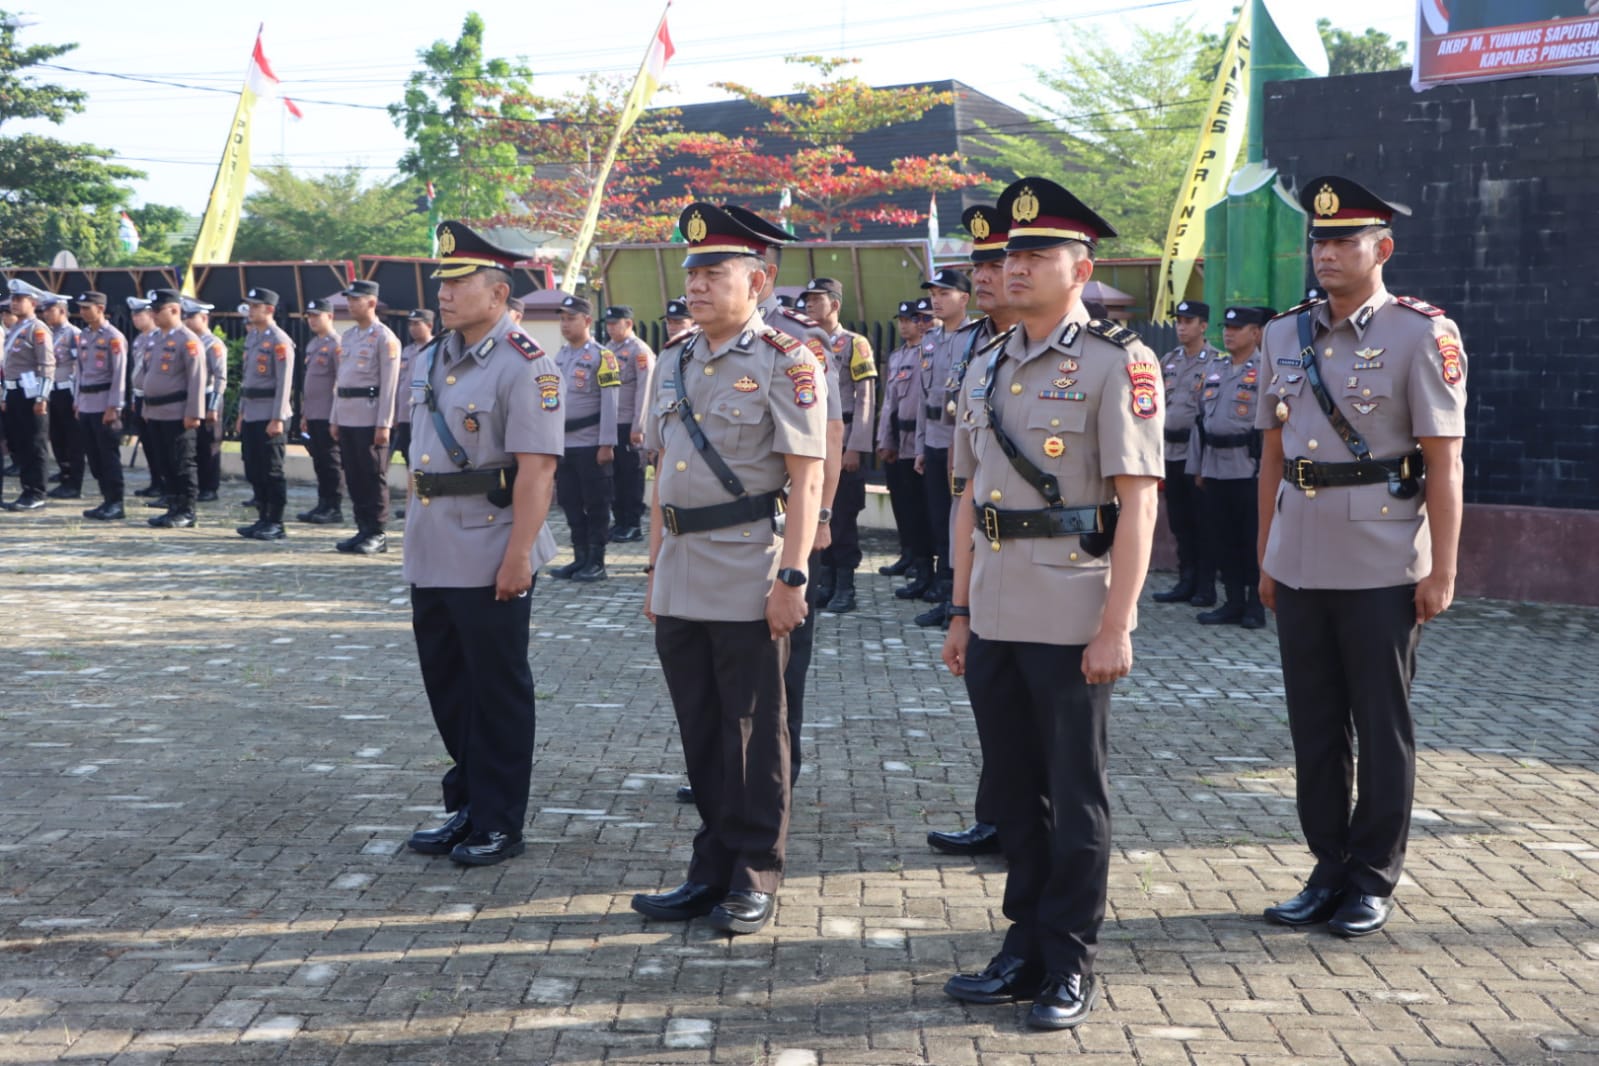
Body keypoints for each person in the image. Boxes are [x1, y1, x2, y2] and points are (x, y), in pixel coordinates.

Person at [940, 176, 1163, 1030]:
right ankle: (1021, 943)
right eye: (1010, 253)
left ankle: (1069, 960)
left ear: (1081, 266)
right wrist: (959, 610)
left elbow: (1137, 499)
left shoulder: (1117, 362)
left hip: (1074, 608)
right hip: (995, 605)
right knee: (1011, 793)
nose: (1016, 264)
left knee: (1075, 794)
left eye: (1036, 252)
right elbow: (968, 496)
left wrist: (1118, 622)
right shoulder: (987, 357)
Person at [1257, 175, 1467, 938]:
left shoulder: (1420, 333)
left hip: (1383, 560)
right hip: (1300, 554)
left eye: (1344, 240)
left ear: (1382, 248)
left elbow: (1443, 464)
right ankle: (1326, 865)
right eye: (1319, 240)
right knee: (1312, 727)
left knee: (1381, 727)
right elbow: (1272, 456)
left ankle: (1372, 874)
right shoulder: (1284, 334)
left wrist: (1441, 570)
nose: (1327, 253)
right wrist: (1264, 555)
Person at [630, 202, 827, 935]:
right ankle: (708, 865)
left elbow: (807, 478)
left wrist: (793, 575)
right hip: (681, 565)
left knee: (754, 727)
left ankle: (753, 871)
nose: (698, 285)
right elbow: (660, 478)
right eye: (692, 273)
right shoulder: (674, 359)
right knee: (701, 728)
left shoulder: (787, 360)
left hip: (751, 564)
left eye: (715, 272)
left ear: (761, 280)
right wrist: (653, 571)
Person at [403, 221, 563, 867]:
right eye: (442, 283)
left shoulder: (526, 363)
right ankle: (465, 803)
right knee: (448, 685)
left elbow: (538, 469)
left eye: (458, 283)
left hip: (491, 544)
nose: (444, 295)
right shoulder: (429, 356)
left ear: (497, 293)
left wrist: (520, 554)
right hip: (432, 541)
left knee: (496, 691)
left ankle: (500, 820)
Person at [926, 203, 1019, 858]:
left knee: (1043, 716)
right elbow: (966, 482)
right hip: (986, 554)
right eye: (977, 265)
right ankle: (997, 816)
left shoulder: (1087, 355)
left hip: (1056, 561)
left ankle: (1032, 829)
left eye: (996, 263)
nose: (983, 276)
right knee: (993, 700)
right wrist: (958, 602)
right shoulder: (976, 347)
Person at [1186, 305, 1268, 627]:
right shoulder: (1215, 369)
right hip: (1215, 467)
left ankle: (1255, 604)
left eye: (1238, 328)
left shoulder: (1265, 370)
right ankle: (1232, 601)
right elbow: (1200, 422)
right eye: (1227, 327)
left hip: (1248, 468)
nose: (1229, 333)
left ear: (1256, 333)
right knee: (1222, 537)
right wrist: (1197, 467)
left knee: (1250, 538)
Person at [799, 277, 876, 613]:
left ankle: (846, 584)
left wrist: (856, 445)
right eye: (807, 300)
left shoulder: (854, 344)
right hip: (812, 437)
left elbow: (865, 398)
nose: (809, 306)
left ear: (835, 303)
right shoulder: (802, 341)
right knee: (815, 510)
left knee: (842, 515)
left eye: (816, 300)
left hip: (842, 435)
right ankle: (825, 580)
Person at [910, 266, 974, 626]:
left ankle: (960, 600)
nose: (936, 299)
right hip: (934, 441)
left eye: (943, 293)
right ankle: (944, 591)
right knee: (938, 518)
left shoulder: (976, 337)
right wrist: (920, 445)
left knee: (959, 520)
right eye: (933, 294)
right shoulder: (930, 340)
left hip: (960, 444)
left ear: (964, 298)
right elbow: (923, 398)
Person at [548, 295, 619, 582]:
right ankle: (579, 558)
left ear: (587, 321)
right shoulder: (560, 356)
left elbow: (611, 403)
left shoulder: (604, 356)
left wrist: (607, 443)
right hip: (564, 445)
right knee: (570, 501)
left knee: (597, 503)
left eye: (571, 318)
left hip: (591, 444)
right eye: (562, 319)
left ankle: (596, 561)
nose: (565, 324)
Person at [1152, 300, 1218, 606]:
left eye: (1188, 321)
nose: (1181, 326)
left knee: (1203, 522)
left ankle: (1205, 586)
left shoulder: (1215, 362)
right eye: (1178, 320)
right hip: (1169, 451)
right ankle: (1185, 580)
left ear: (1203, 326)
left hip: (1197, 454)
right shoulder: (1169, 360)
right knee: (1179, 521)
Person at [330, 279, 401, 555]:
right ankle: (362, 528)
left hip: (370, 417)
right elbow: (341, 381)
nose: (349, 304)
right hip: (347, 415)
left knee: (373, 476)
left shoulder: (384, 338)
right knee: (354, 476)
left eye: (354, 299)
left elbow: (390, 384)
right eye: (348, 299)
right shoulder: (348, 337)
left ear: (371, 302)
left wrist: (383, 423)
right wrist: (335, 417)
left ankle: (377, 532)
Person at [876, 299, 935, 584]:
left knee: (920, 505)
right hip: (899, 441)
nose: (903, 325)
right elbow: (888, 403)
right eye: (900, 320)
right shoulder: (898, 355)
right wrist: (885, 440)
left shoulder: (929, 352)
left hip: (919, 442)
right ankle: (907, 552)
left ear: (922, 322)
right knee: (901, 502)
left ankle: (923, 558)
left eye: (908, 320)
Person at [139, 289, 206, 529]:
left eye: (158, 310)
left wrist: (194, 412)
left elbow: (197, 379)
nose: (153, 315)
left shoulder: (187, 340)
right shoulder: (156, 338)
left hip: (177, 412)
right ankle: (172, 506)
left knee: (182, 463)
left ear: (175, 310)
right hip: (156, 411)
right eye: (152, 310)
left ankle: (187, 510)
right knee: (164, 462)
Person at [234, 289, 296, 541]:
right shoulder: (254, 337)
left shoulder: (279, 340)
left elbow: (284, 383)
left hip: (270, 412)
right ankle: (262, 516)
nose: (250, 309)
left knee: (272, 470)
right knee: (253, 467)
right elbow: (247, 380)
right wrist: (241, 412)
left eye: (255, 306)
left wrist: (278, 418)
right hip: (251, 411)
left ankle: (275, 521)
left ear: (269, 309)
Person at [70, 293, 128, 521]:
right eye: (81, 307)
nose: (83, 312)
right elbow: (80, 372)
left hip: (104, 403)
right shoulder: (84, 335)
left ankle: (116, 502)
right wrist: (77, 400)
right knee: (94, 457)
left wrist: (114, 406)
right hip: (86, 403)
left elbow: (119, 374)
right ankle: (106, 499)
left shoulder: (113, 337)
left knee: (108, 456)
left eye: (87, 308)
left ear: (100, 308)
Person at [603, 305, 655, 544]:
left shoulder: (639, 351)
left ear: (629, 324)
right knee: (614, 476)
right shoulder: (609, 349)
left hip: (629, 424)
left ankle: (632, 524)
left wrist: (639, 426)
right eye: (609, 323)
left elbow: (645, 390)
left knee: (631, 475)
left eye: (615, 323)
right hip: (611, 423)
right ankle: (620, 521)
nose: (610, 327)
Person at [2, 280, 56, 511]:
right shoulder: (15, 329)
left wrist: (41, 397)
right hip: (15, 393)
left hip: (31, 395)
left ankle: (36, 492)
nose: (14, 303)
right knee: (20, 444)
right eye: (13, 299)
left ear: (32, 303)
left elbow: (46, 364)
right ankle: (26, 489)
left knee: (35, 444)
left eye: (19, 299)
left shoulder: (38, 329)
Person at [297, 297, 345, 525]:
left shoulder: (336, 344)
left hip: (328, 412)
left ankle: (334, 506)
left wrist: (336, 415)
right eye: (310, 316)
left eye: (317, 316)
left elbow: (339, 382)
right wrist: (305, 413)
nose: (312, 320)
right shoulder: (314, 344)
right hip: (314, 412)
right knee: (319, 461)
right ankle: (323, 503)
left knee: (330, 461)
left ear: (330, 317)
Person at [181, 299, 227, 504]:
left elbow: (220, 377)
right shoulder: (188, 342)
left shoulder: (213, 344)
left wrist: (213, 406)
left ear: (204, 318)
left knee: (209, 445)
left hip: (209, 395)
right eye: (185, 317)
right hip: (192, 397)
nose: (187, 321)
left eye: (191, 317)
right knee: (193, 444)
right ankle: (197, 484)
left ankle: (210, 487)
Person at [40, 295, 84, 499]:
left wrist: (78, 396)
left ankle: (74, 481)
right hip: (52, 390)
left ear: (62, 311)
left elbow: (79, 366)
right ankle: (64, 472)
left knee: (72, 438)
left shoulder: (73, 334)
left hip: (67, 390)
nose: (46, 314)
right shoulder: (49, 333)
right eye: (45, 310)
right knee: (56, 436)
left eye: (50, 310)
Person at [391, 308, 433, 518]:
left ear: (429, 325)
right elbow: (399, 384)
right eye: (411, 324)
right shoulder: (407, 351)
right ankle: (412, 502)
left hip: (424, 414)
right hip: (405, 415)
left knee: (423, 460)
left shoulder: (436, 349)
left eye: (418, 323)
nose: (413, 328)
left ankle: (423, 502)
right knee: (409, 460)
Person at [126, 297, 162, 500]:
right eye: (133, 315)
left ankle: (163, 483)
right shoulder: (139, 339)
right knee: (147, 443)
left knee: (158, 444)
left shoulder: (159, 338)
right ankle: (155, 481)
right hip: (139, 396)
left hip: (153, 399)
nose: (135, 319)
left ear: (150, 315)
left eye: (139, 315)